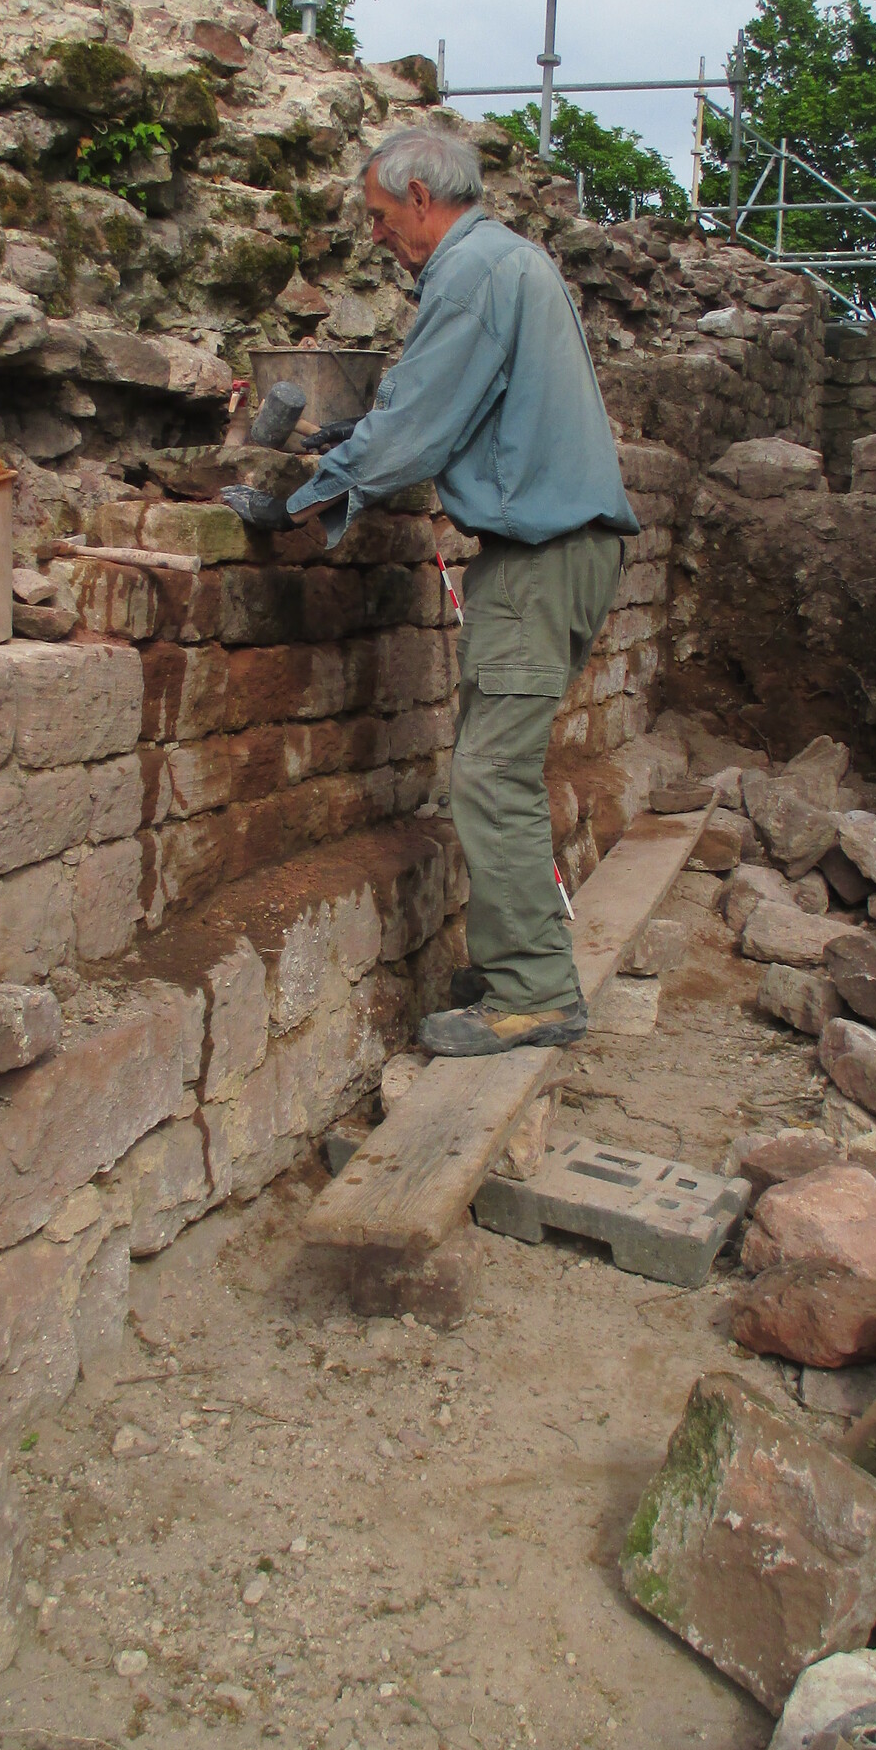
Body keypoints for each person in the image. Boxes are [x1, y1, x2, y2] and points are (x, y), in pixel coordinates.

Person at [223, 124, 638, 1058]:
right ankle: (512, 969)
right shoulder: (509, 262)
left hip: (541, 559)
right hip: (561, 553)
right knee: (495, 769)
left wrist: (302, 501)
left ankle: (535, 995)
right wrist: (357, 443)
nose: (376, 235)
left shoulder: (473, 270)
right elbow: (453, 411)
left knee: (491, 777)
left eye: (379, 215)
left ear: (420, 197)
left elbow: (419, 425)